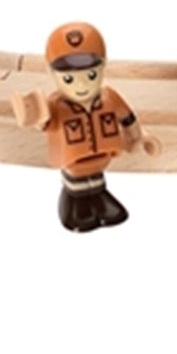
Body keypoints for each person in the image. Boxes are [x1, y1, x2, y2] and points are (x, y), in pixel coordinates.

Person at [10, 22, 160, 231]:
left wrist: (139, 137)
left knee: (96, 183)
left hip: (101, 159)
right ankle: (75, 204)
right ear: (52, 73)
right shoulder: (56, 106)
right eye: (69, 78)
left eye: (90, 75)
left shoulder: (109, 98)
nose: (81, 85)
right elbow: (43, 122)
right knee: (78, 187)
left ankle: (99, 199)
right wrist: (33, 115)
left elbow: (128, 119)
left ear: (102, 67)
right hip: (74, 164)